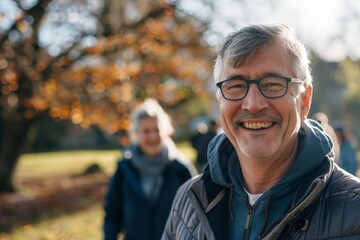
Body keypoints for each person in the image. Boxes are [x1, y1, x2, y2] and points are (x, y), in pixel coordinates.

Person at [162, 23, 360, 239]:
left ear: (304, 101)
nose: (253, 104)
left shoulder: (353, 212)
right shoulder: (188, 202)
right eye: (235, 85)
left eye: (272, 84)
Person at [103, 98, 197, 240]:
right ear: (136, 134)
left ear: (165, 131)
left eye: (156, 130)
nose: (152, 136)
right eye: (146, 131)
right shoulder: (125, 168)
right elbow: (112, 215)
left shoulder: (181, 168)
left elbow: (197, 216)